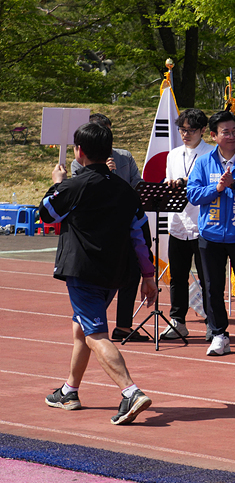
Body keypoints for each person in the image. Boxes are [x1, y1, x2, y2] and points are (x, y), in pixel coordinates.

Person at [40, 120, 158, 425]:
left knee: (94, 334)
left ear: (79, 152)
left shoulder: (74, 185)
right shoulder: (126, 190)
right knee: (81, 328)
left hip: (83, 271)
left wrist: (56, 182)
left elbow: (47, 213)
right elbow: (140, 236)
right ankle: (69, 390)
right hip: (115, 272)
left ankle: (130, 391)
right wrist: (148, 275)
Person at [187, 111, 235, 357]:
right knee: (212, 288)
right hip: (209, 236)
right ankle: (219, 334)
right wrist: (217, 187)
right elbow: (193, 194)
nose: (231, 136)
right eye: (225, 132)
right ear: (213, 135)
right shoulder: (203, 161)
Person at [70, 112, 144, 342]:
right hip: (96, 234)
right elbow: (80, 194)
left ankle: (123, 325)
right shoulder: (78, 161)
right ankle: (92, 325)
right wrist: (105, 175)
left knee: (131, 274)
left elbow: (137, 186)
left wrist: (114, 178)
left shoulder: (124, 156)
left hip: (123, 227)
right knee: (96, 291)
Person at [161, 108, 212, 340]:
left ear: (203, 130)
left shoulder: (211, 154)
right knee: (177, 277)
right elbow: (167, 179)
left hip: (204, 224)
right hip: (178, 224)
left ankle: (214, 322)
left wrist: (185, 182)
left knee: (209, 278)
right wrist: (169, 183)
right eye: (182, 129)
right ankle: (178, 320)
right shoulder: (173, 155)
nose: (185, 134)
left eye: (191, 130)